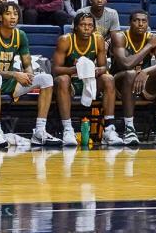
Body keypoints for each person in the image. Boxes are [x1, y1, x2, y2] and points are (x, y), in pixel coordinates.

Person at [0, 2, 60, 146]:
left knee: (46, 79)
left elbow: (27, 64)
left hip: (10, 82)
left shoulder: (20, 35)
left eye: (15, 14)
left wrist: (29, 75)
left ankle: (40, 131)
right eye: (8, 13)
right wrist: (16, 75)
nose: (13, 17)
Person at [52, 11, 122, 147]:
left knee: (108, 78)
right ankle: (68, 129)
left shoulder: (98, 40)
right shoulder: (65, 40)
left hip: (89, 81)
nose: (86, 28)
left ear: (94, 28)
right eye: (83, 25)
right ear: (76, 27)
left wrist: (95, 70)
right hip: (70, 83)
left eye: (90, 25)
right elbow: (56, 69)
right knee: (63, 80)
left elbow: (103, 66)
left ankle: (109, 129)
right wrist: (76, 69)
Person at [110, 10, 156, 147]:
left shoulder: (152, 38)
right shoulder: (119, 37)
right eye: (136, 20)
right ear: (129, 23)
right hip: (120, 82)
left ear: (148, 24)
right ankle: (129, 128)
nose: (140, 24)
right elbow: (126, 64)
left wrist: (145, 71)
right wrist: (148, 46)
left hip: (142, 80)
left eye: (144, 21)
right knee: (130, 73)